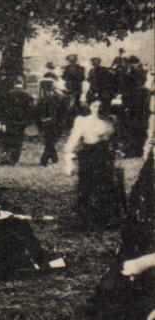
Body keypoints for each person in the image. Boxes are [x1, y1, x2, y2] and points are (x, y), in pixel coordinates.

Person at [64, 98, 121, 228]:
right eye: (95, 105)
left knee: (105, 185)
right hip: (89, 155)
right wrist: (69, 158)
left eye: (101, 106)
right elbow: (73, 139)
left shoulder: (110, 121)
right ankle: (86, 218)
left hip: (105, 156)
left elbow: (116, 140)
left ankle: (104, 217)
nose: (98, 109)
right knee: (87, 185)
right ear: (90, 107)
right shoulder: (83, 121)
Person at [35, 77, 73, 167]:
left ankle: (44, 160)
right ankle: (54, 158)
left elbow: (64, 111)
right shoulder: (51, 96)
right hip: (52, 122)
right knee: (49, 141)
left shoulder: (58, 97)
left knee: (50, 141)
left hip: (54, 122)